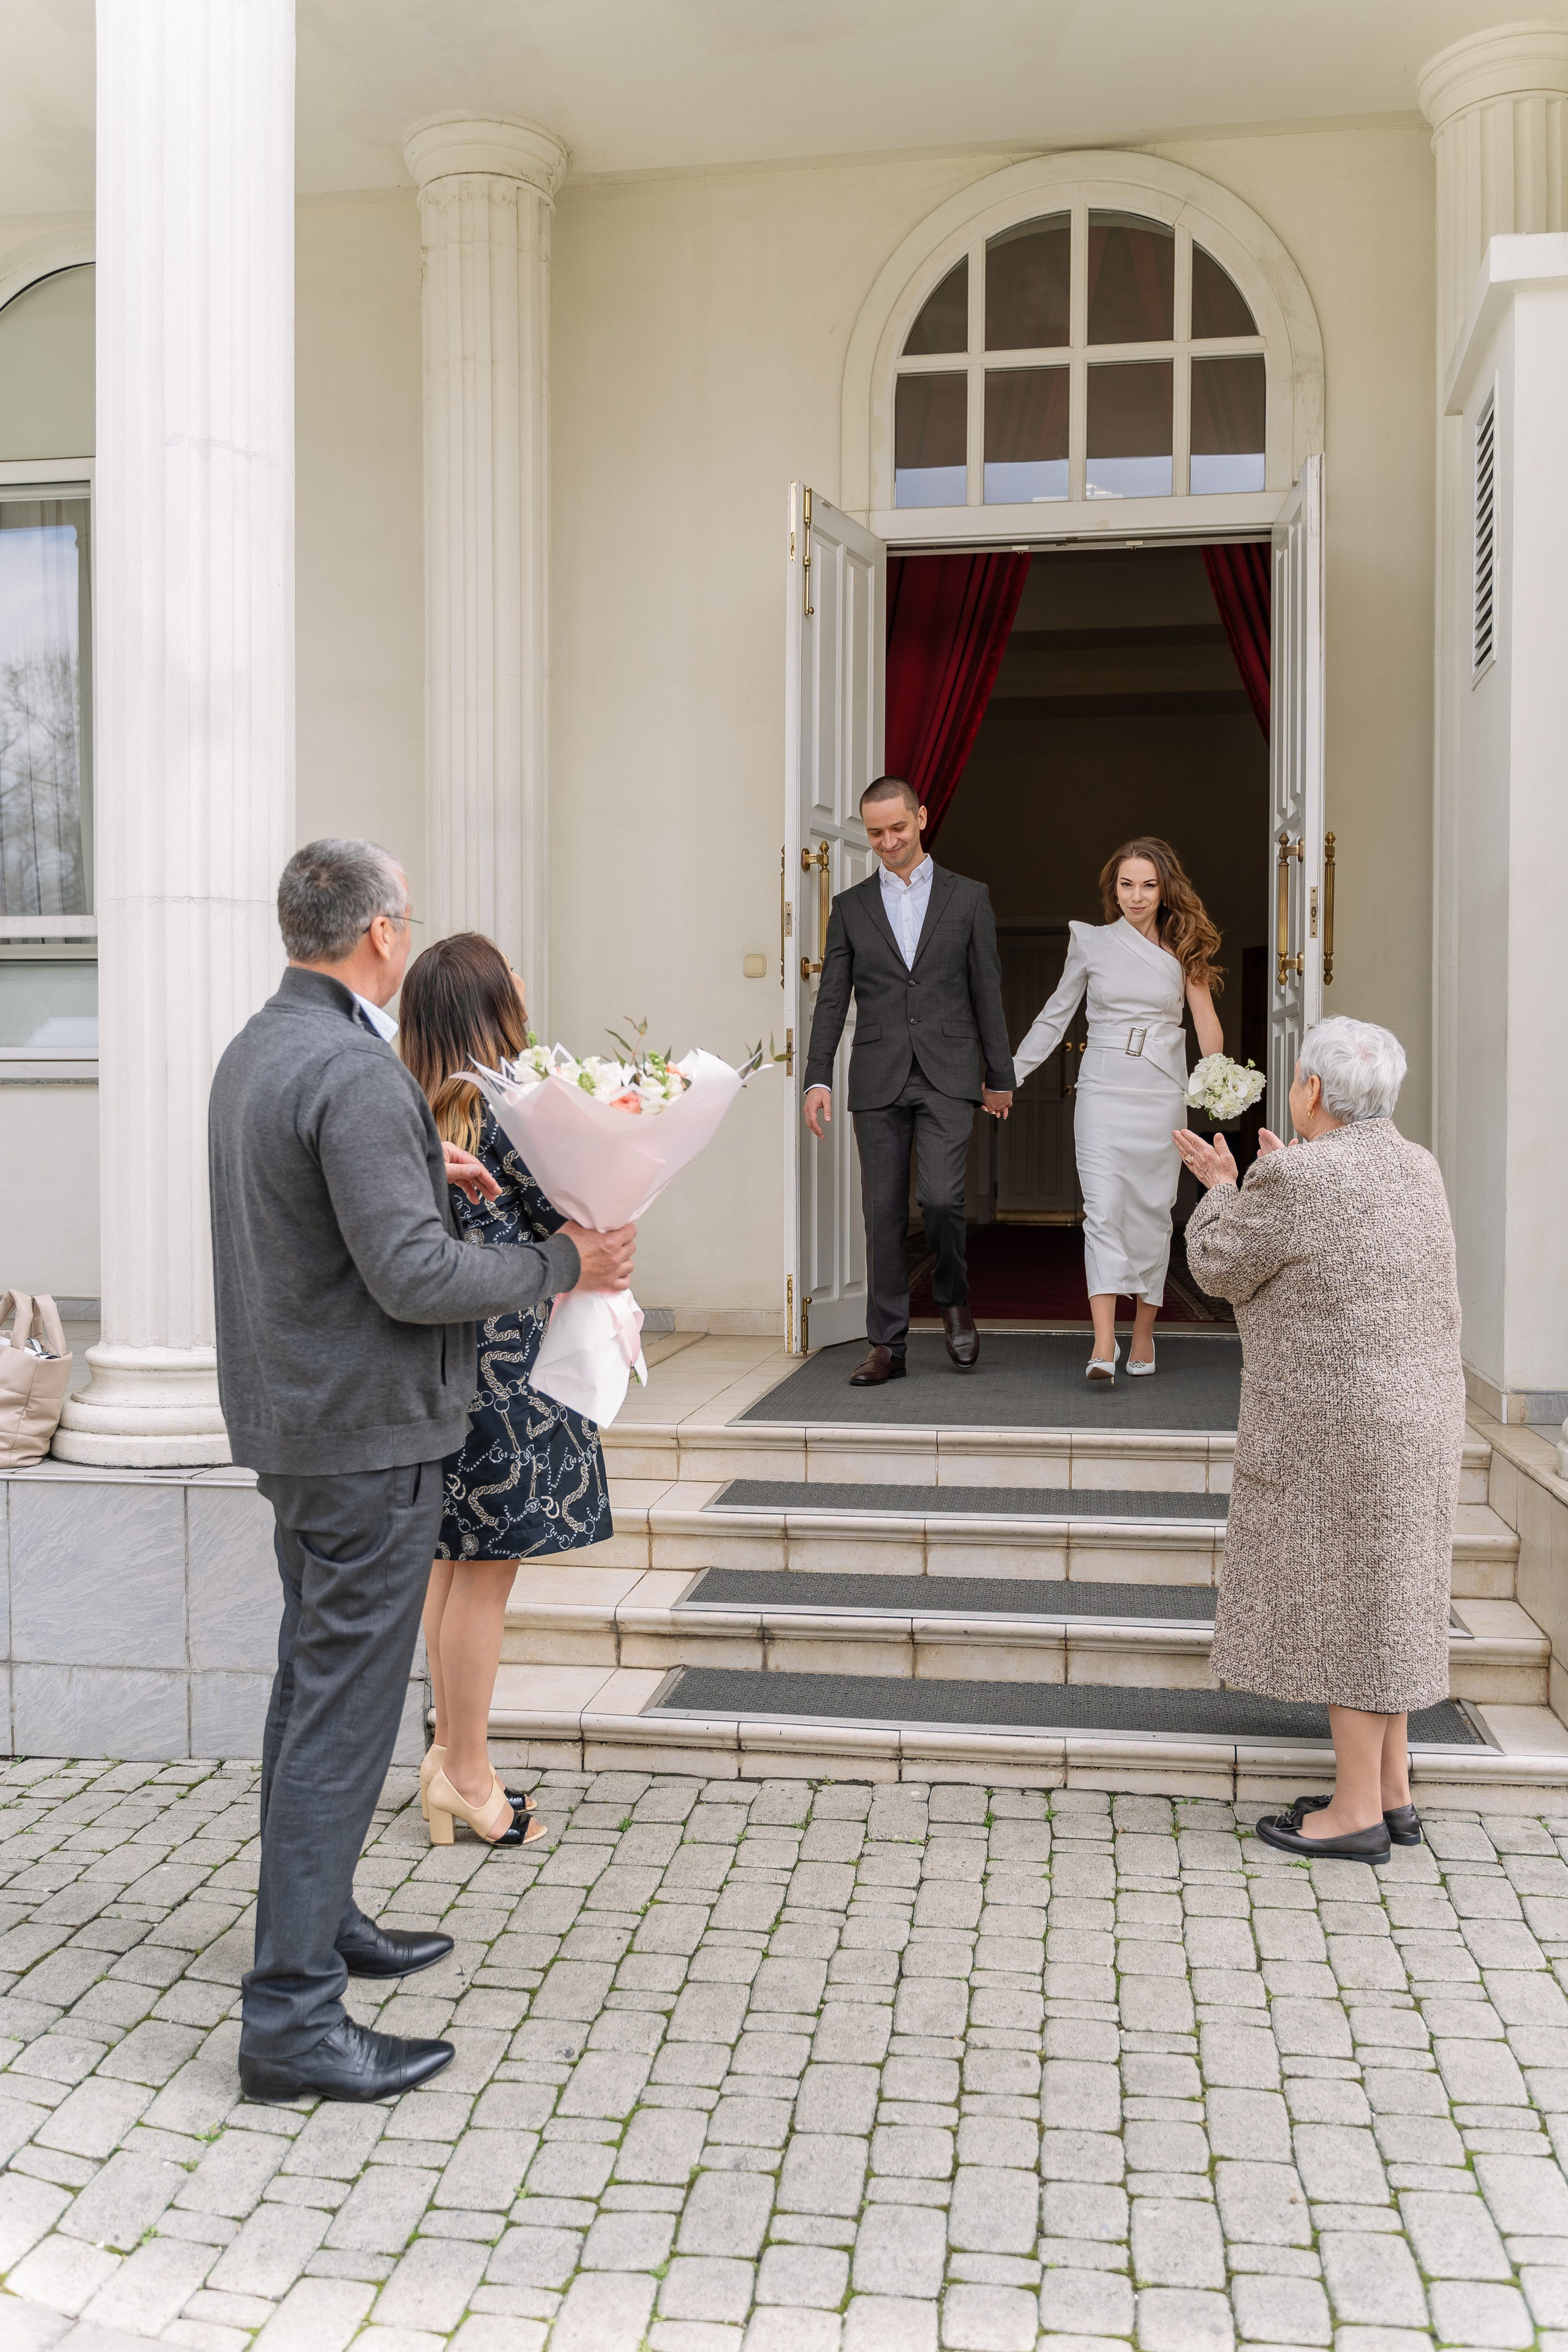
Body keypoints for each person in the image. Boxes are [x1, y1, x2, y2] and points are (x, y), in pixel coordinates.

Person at [208, 840, 636, 2103]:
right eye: (406, 918)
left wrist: (420, 1169)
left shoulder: (261, 1050)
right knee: (341, 1715)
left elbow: (322, 1226)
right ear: (381, 934)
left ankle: (323, 1917)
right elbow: (412, 1278)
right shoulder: (348, 1066)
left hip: (299, 1426)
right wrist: (565, 1267)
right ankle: (291, 2021)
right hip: (369, 1434)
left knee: (310, 1693)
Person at [1175, 1016, 1465, 1863]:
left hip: (1344, 1427)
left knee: (1352, 1605)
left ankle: (1354, 1815)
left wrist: (1227, 1186)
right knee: (1394, 1596)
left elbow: (1221, 1267)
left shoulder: (1299, 1179)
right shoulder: (1419, 1164)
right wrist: (1275, 1174)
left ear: (1309, 1090)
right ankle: (1393, 1792)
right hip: (1422, 1413)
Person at [398, 932, 611, 1851]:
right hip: (511, 1372)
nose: (526, 985)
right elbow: (571, 1224)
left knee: (454, 1570)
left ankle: (450, 1757)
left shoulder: (414, 1104)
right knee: (483, 1583)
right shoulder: (511, 1108)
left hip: (449, 1365)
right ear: (488, 1006)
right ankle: (470, 1775)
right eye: (511, 978)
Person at [802, 775, 1014, 1385]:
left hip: (948, 1073)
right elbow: (831, 1004)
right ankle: (887, 1348)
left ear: (920, 818)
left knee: (943, 1200)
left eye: (898, 827)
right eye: (875, 833)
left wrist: (998, 1077)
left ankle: (952, 1298)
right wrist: (818, 1079)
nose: (888, 841)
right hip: (877, 1075)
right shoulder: (849, 907)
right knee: (883, 1213)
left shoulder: (969, 898)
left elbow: (986, 994)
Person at [1012, 837, 1223, 1382]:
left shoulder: (1185, 946)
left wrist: (1218, 1079)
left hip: (1160, 1094)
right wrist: (1009, 1073)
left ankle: (1145, 1333)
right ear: (1114, 889)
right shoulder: (1090, 942)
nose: (1137, 896)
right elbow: (1055, 1015)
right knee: (1101, 1211)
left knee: (1153, 1214)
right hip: (1103, 1090)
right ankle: (1104, 1342)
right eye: (1126, 884)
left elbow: (1205, 1022)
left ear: (1165, 889)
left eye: (1148, 885)